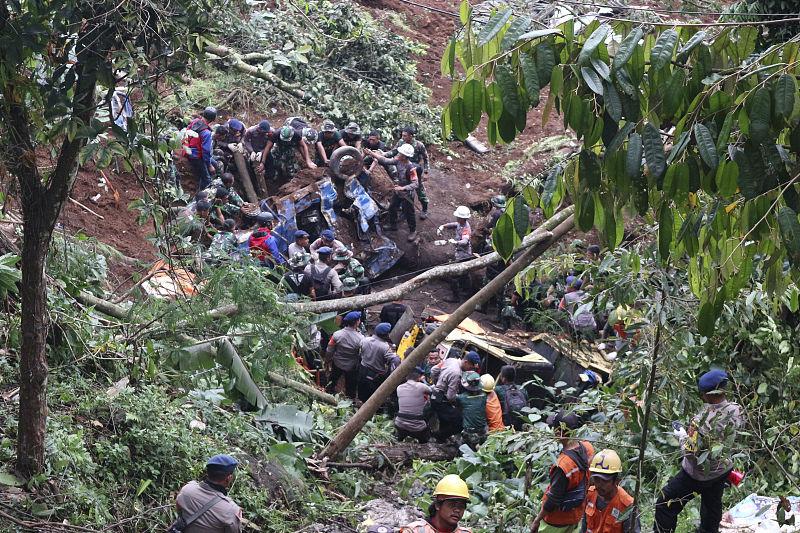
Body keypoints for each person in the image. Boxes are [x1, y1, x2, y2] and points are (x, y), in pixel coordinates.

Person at [654, 369, 743, 533]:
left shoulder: (702, 422)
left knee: (665, 503)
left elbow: (691, 453)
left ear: (708, 394)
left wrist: (681, 436)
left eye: (702, 393)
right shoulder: (736, 410)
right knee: (712, 505)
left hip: (698, 474)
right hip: (722, 469)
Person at [530, 411, 594, 533]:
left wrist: (537, 520)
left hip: (556, 521)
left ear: (559, 432)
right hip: (576, 515)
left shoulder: (563, 466)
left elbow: (552, 500)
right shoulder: (588, 448)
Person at [174, 454, 242, 533]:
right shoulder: (231, 509)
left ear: (208, 473)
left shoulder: (187, 489)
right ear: (228, 478)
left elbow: (179, 512)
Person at [367, 144, 419, 241]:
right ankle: (393, 225)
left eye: (401, 153)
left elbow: (416, 184)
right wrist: (372, 153)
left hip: (407, 193)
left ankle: (413, 231)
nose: (398, 154)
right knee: (392, 207)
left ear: (405, 156)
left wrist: (403, 188)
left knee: (409, 213)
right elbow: (385, 160)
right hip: (398, 190)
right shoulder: (398, 160)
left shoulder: (410, 168)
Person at [582, 449, 640, 533]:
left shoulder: (627, 506)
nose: (599, 484)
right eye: (597, 479)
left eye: (605, 481)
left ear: (616, 480)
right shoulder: (590, 494)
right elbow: (584, 527)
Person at [400, 474, 472, 533]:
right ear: (438, 505)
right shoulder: (413, 531)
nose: (457, 510)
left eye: (461, 506)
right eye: (452, 505)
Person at [386, 126, 429, 218]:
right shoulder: (401, 142)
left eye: (405, 136)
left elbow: (426, 158)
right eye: (402, 135)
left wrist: (425, 172)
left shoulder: (419, 145)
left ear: (411, 136)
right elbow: (393, 152)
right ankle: (404, 209)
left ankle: (424, 209)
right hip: (403, 170)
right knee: (403, 190)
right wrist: (383, 154)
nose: (403, 137)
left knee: (419, 190)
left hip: (415, 170)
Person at [325, 311, 364, 399]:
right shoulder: (360, 338)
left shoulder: (337, 334)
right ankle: (350, 401)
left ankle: (328, 395)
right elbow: (362, 354)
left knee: (332, 380)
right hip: (351, 365)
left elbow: (329, 350)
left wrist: (327, 360)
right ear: (357, 322)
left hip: (337, 362)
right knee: (351, 386)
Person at [438, 206, 474, 301]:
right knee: (465, 274)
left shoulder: (466, 228)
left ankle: (456, 297)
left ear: (463, 218)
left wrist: (456, 242)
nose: (457, 218)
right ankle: (466, 292)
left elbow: (465, 241)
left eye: (458, 217)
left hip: (464, 255)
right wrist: (443, 226)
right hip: (462, 253)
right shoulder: (460, 223)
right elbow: (454, 224)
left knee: (454, 275)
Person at [358, 322, 398, 403]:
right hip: (375, 375)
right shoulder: (385, 347)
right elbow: (395, 360)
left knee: (361, 393)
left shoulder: (365, 340)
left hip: (362, 370)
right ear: (386, 335)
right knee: (373, 398)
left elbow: (360, 352)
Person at [431, 351, 465, 442]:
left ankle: (440, 441)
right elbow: (450, 397)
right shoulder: (456, 373)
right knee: (459, 423)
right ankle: (438, 436)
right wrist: (458, 401)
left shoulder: (451, 360)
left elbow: (434, 370)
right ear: (467, 362)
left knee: (444, 420)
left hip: (435, 395)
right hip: (441, 399)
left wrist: (436, 383)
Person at [395, 366, 433, 443]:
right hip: (417, 428)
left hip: (399, 424)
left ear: (406, 377)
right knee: (424, 437)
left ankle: (399, 439)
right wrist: (424, 381)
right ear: (419, 377)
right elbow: (431, 390)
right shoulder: (421, 386)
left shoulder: (399, 387)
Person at [183, 106, 218, 191]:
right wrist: (209, 166)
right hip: (196, 157)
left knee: (215, 164)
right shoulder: (206, 133)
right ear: (213, 119)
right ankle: (201, 195)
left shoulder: (195, 121)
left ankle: (215, 180)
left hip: (187, 150)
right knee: (207, 179)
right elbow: (206, 151)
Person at [456, 371, 487, 450]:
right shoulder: (484, 396)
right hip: (483, 431)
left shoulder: (461, 398)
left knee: (460, 445)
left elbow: (451, 398)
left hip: (469, 432)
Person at [495, 365, 529, 430]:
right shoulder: (522, 389)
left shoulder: (498, 390)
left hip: (506, 425)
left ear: (503, 378)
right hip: (522, 424)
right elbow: (528, 406)